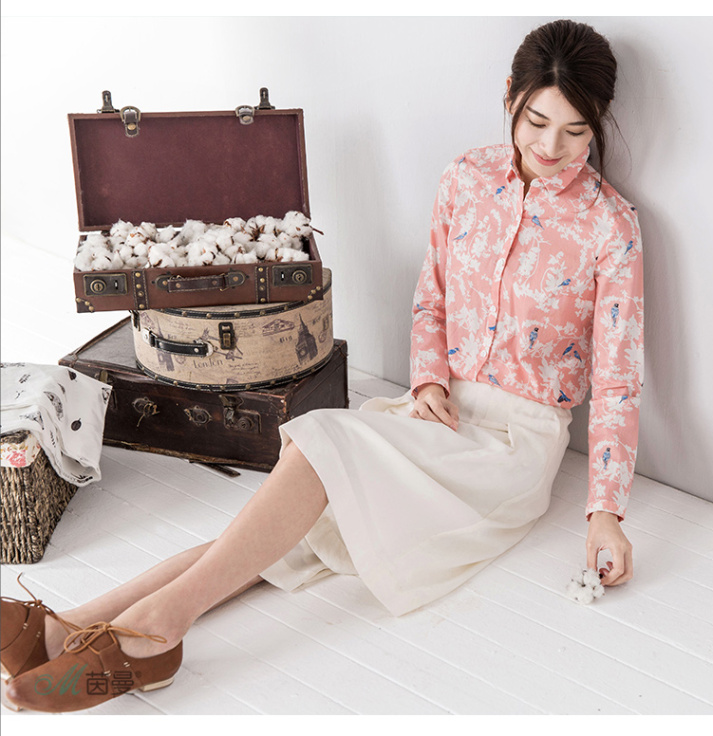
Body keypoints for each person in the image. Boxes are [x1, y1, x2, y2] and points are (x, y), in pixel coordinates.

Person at [1, 18, 643, 713]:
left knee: (318, 446)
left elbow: (618, 380)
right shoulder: (467, 177)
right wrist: (429, 378)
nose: (550, 147)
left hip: (511, 447)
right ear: (510, 93)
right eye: (537, 121)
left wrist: (604, 513)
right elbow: (432, 296)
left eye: (576, 131)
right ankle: (76, 623)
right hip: (435, 412)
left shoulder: (611, 226)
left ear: (598, 124)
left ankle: (157, 629)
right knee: (277, 533)